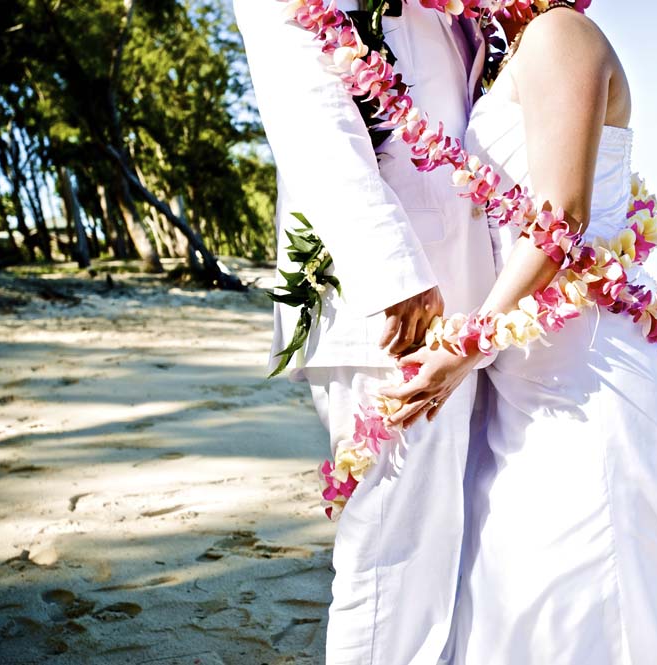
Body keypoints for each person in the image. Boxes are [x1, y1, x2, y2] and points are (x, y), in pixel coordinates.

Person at [383, 4, 657, 663]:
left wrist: (464, 348)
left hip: (586, 375)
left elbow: (561, 220)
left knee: (597, 580)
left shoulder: (561, 35)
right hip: (529, 375)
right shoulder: (513, 54)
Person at [234, 1, 495, 663]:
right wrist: (391, 270)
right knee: (394, 550)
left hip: (467, 297)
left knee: (451, 544)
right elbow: (309, 108)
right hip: (389, 309)